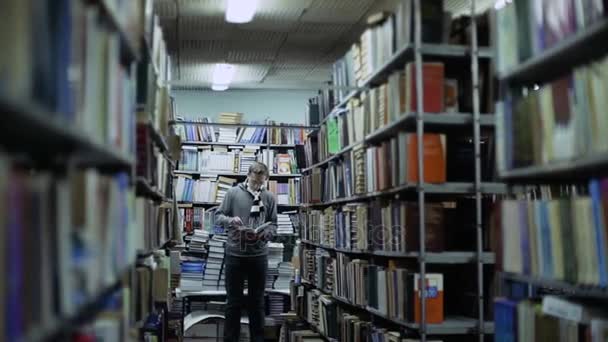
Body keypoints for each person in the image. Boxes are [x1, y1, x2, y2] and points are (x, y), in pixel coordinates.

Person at [215, 161, 277, 342]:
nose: (258, 186)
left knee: (257, 303)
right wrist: (230, 221)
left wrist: (266, 234)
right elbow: (218, 216)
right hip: (235, 254)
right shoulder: (233, 193)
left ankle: (257, 339)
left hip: (259, 256)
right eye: (255, 182)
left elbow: (273, 223)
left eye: (261, 183)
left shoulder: (269, 197)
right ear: (248, 176)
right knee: (233, 303)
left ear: (265, 179)